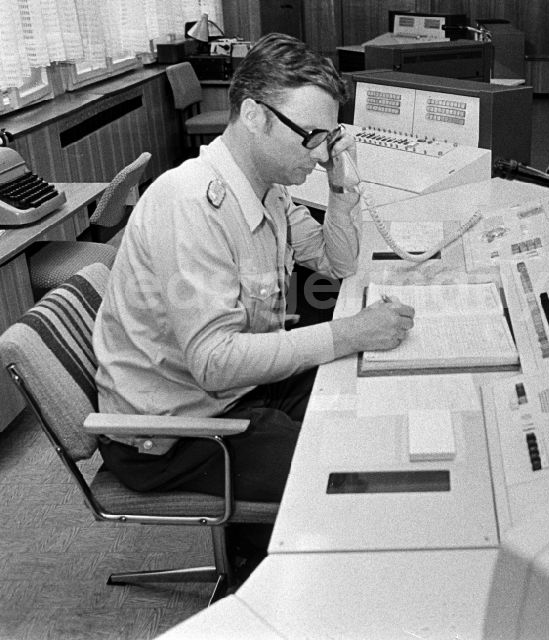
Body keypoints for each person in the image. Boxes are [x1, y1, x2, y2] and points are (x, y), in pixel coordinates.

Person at [92, 34, 414, 532]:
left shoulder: (270, 192)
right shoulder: (191, 204)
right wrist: (349, 333)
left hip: (239, 392)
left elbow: (338, 264)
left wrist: (338, 181)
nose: (320, 152)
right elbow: (215, 363)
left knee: (366, 402)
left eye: (329, 137)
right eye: (312, 136)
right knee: (352, 475)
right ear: (255, 116)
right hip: (176, 434)